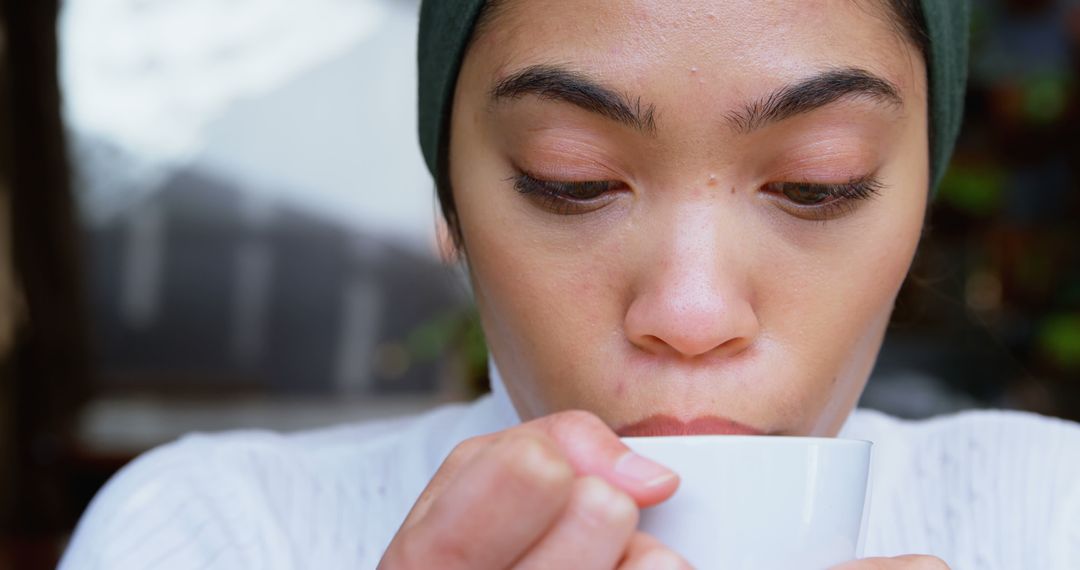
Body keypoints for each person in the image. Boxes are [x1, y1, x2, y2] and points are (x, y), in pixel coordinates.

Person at [61, 0, 1080, 568]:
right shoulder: (213, 534)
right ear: (450, 200)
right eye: (572, 179)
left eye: (818, 182)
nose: (689, 314)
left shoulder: (1049, 519)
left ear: (914, 205)